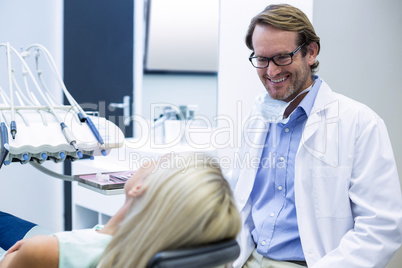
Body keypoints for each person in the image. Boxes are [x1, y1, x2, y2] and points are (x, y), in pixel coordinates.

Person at [228, 4, 402, 268]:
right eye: (261, 59)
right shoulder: (257, 118)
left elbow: (381, 227)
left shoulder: (359, 123)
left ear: (310, 52)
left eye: (282, 57)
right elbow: (240, 196)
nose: (271, 71)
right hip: (247, 259)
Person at [0, 152, 241, 268]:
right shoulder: (162, 250)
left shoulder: (45, 250)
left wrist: (17, 256)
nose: (148, 162)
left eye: (158, 163)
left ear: (138, 188)